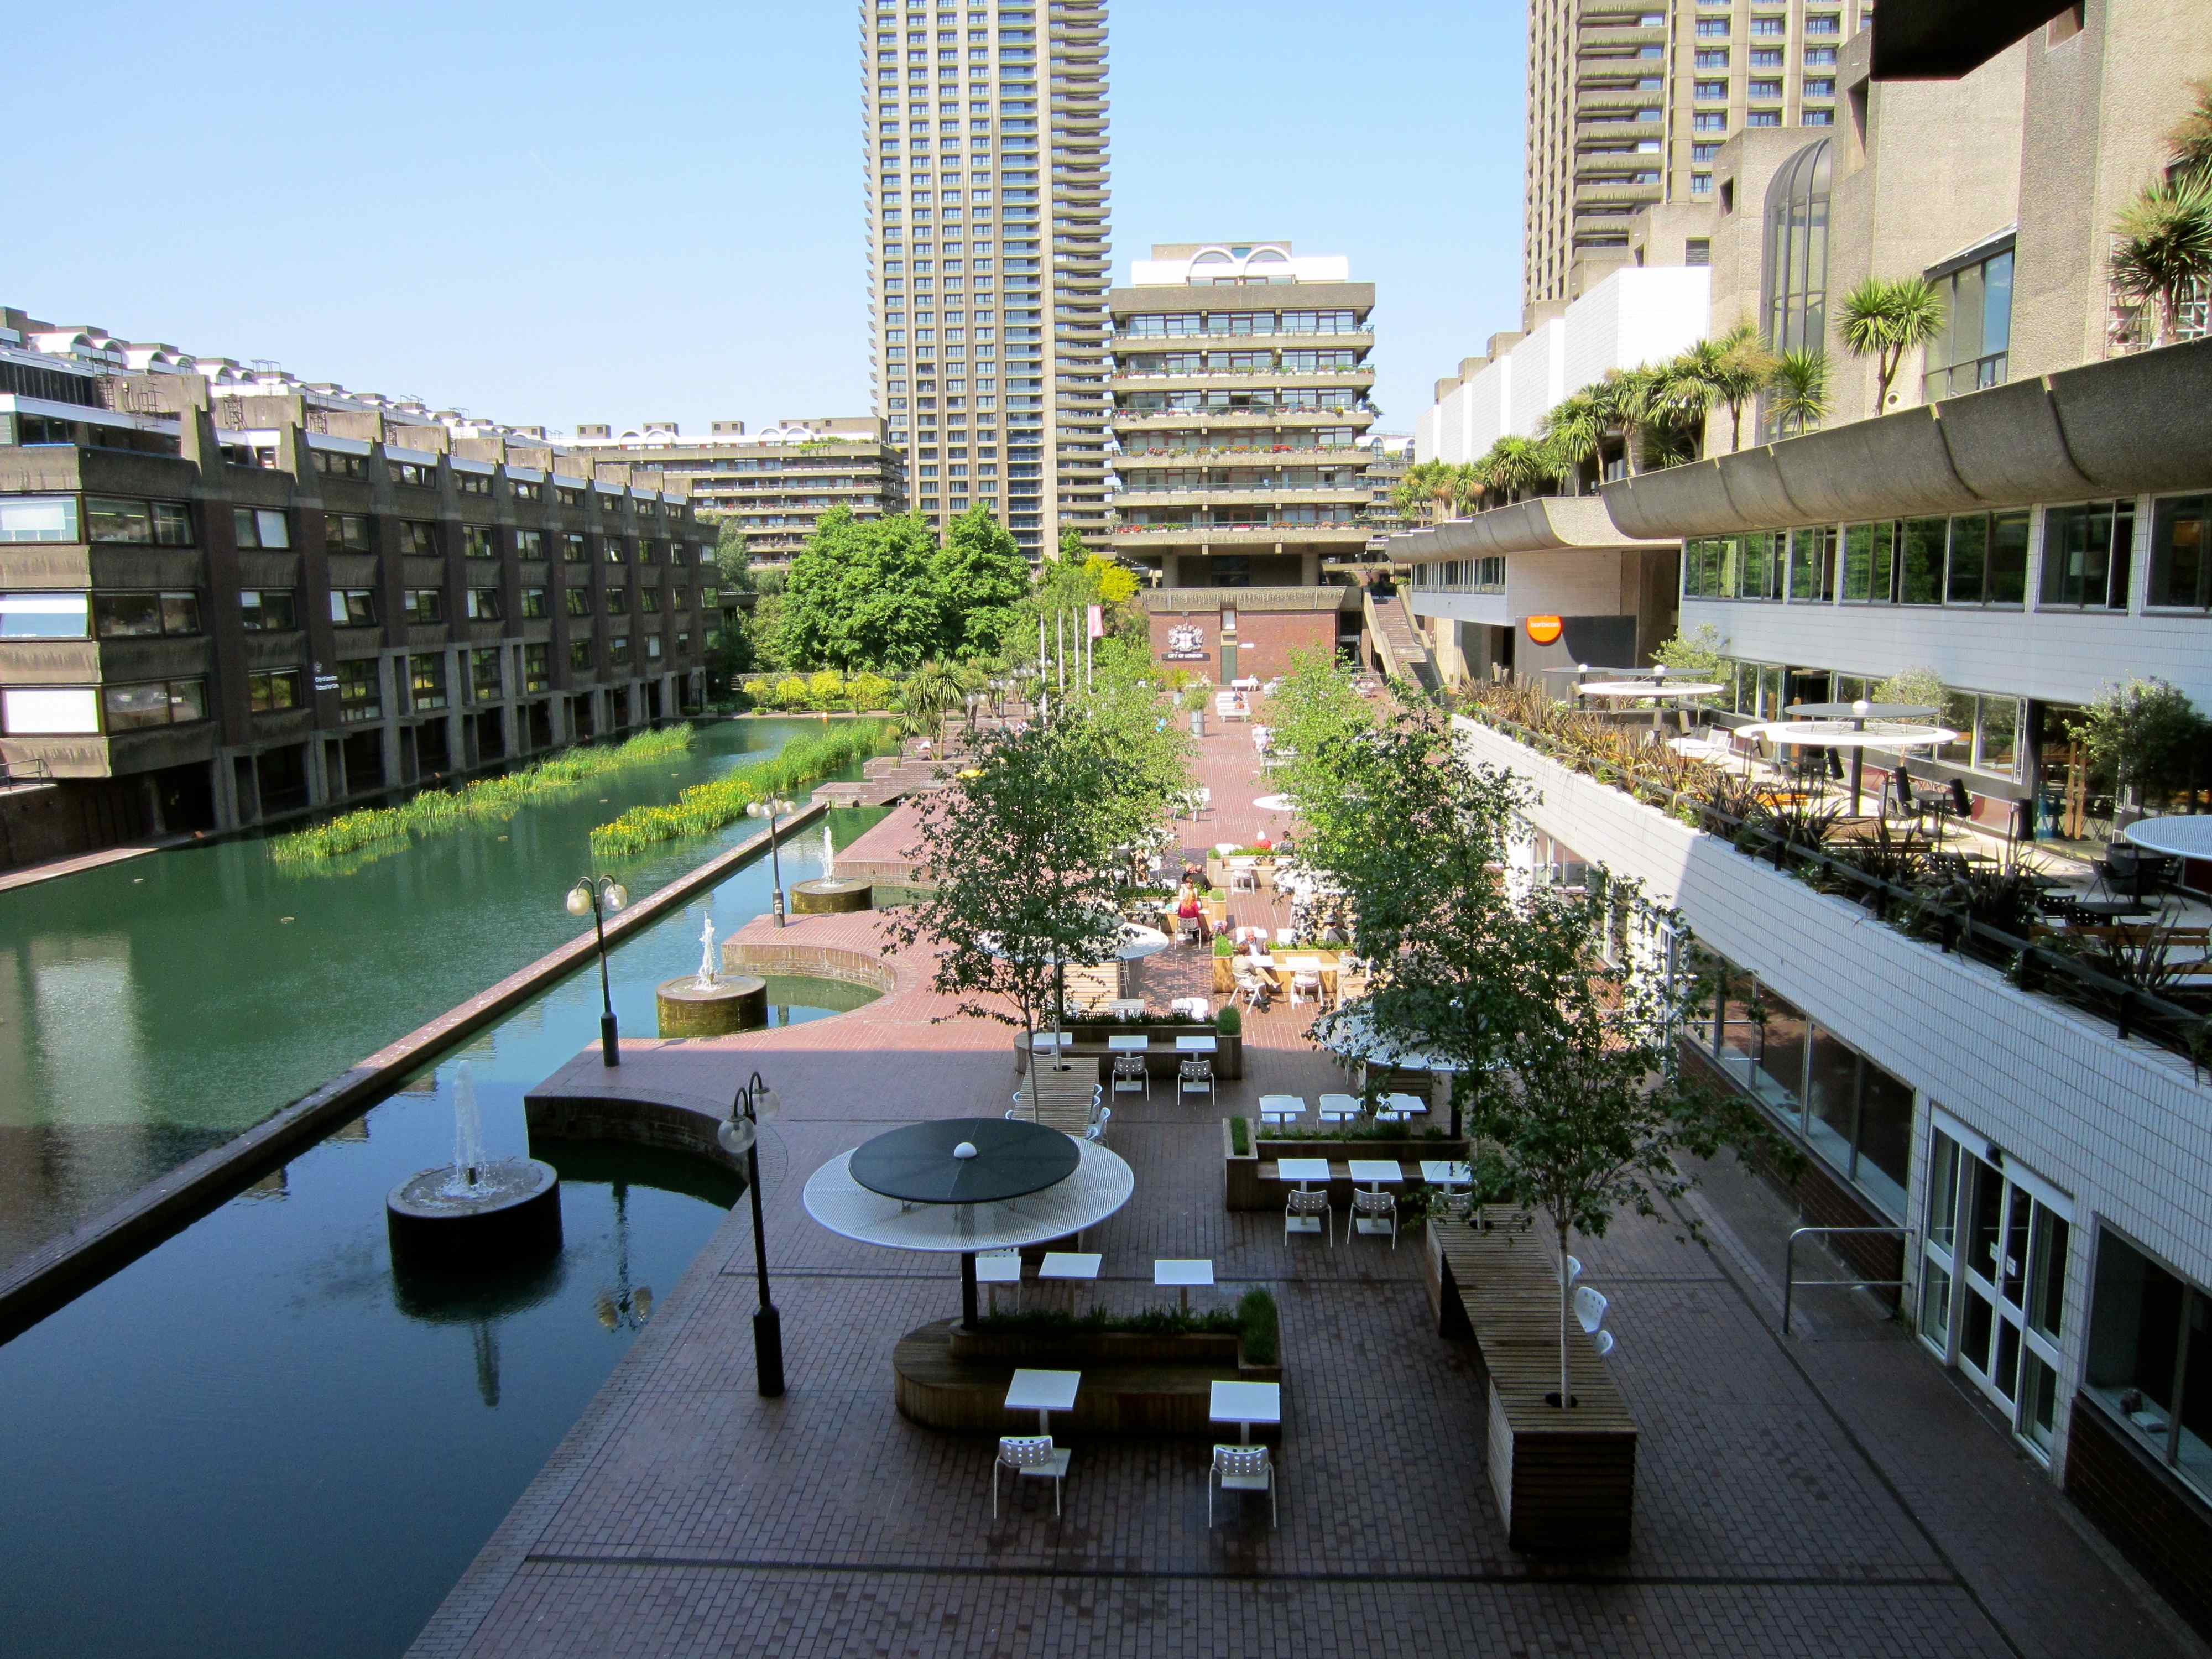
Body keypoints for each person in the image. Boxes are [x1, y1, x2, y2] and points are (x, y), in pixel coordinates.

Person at [1175, 877, 1212, 945]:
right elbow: (1197, 915)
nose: (1189, 884)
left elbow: (1179, 914)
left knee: (1191, 920)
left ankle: (1189, 936)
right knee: (1197, 921)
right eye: (1187, 882)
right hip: (1193, 925)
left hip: (1182, 925)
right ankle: (1197, 938)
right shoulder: (1194, 904)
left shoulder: (1182, 905)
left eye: (1191, 883)